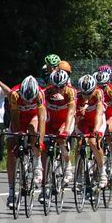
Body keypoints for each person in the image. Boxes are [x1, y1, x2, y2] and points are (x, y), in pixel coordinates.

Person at [6, 76, 46, 207]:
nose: (28, 103)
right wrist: (18, 138)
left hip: (33, 117)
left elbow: (42, 119)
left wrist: (39, 143)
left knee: (33, 130)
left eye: (31, 101)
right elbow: (15, 117)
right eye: (26, 100)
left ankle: (37, 162)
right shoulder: (14, 94)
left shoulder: (40, 93)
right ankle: (11, 191)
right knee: (11, 149)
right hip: (19, 118)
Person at [40, 69, 76, 203]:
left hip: (65, 120)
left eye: (61, 86)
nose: (58, 89)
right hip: (50, 120)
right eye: (55, 86)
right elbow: (41, 113)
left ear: (66, 84)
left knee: (61, 140)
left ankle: (67, 164)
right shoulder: (46, 92)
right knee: (43, 151)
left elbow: (71, 112)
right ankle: (44, 189)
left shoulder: (71, 92)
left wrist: (65, 130)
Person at [75, 74, 107, 188]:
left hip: (97, 121)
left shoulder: (99, 93)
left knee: (94, 142)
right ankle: (78, 175)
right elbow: (75, 117)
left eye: (89, 93)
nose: (86, 96)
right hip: (84, 121)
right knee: (79, 144)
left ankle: (102, 172)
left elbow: (99, 114)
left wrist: (96, 130)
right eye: (84, 93)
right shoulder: (77, 96)